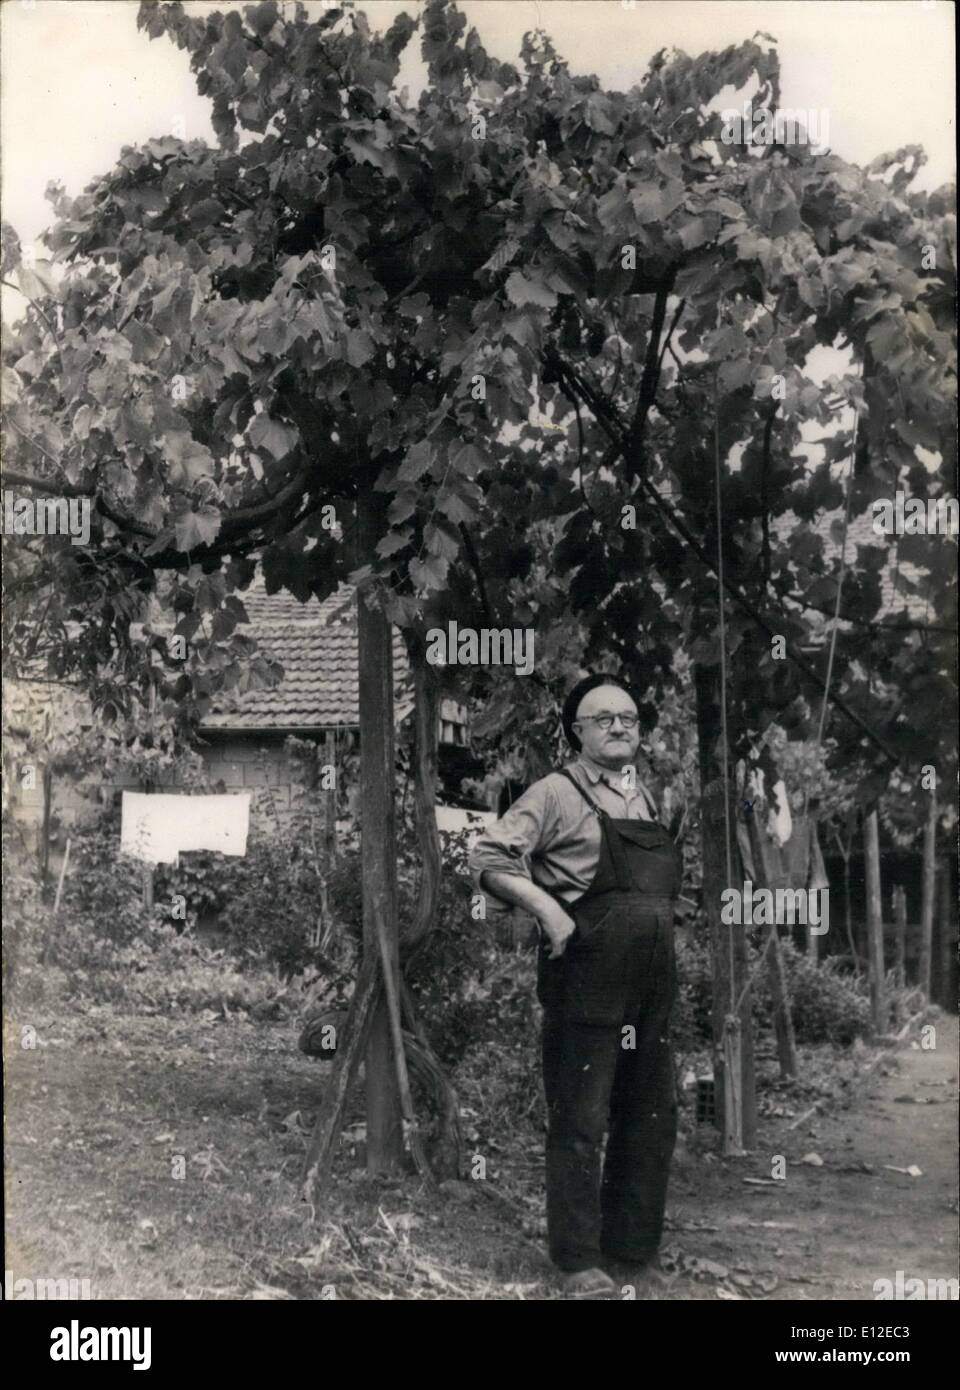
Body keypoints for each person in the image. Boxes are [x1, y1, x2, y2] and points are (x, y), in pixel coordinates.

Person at [468, 674, 682, 1298]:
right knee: (582, 1118)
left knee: (651, 1115)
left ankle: (632, 1250)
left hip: (648, 988)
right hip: (586, 979)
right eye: (604, 719)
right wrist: (549, 910)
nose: (620, 727)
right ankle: (578, 1260)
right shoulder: (555, 793)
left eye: (629, 718)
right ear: (576, 732)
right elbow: (488, 857)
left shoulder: (644, 798)